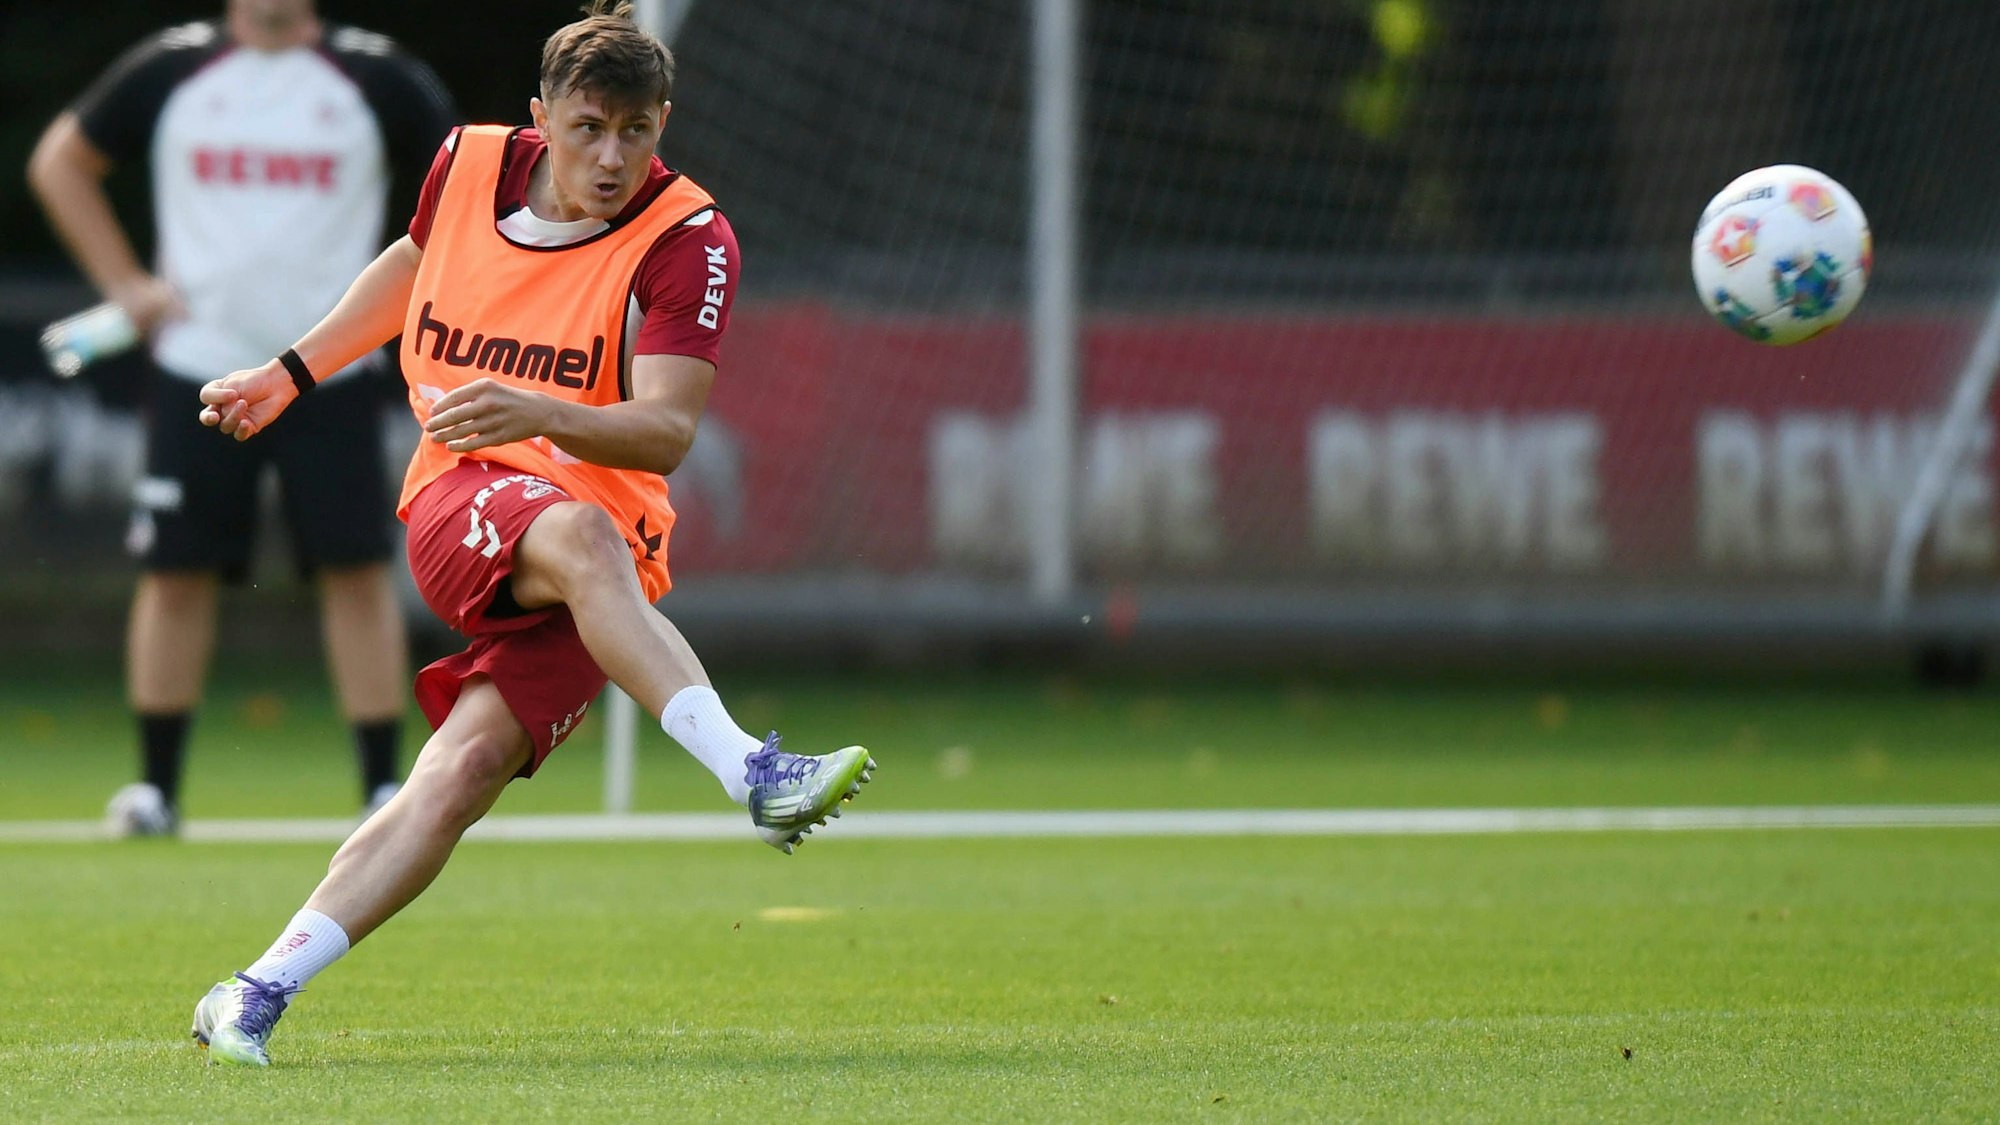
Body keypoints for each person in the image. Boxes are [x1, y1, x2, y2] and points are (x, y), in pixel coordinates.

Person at [182, 1, 877, 1067]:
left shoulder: (690, 239)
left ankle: (253, 989)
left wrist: (541, 411)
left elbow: (667, 433)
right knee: (585, 541)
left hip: (599, 556)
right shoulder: (464, 165)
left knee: (456, 777)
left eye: (636, 131)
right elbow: (414, 268)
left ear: (663, 123)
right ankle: (752, 772)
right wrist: (292, 374)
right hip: (463, 492)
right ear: (539, 116)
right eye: (588, 127)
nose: (610, 157)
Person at [26, 0, 459, 836]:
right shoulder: (172, 67)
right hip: (203, 370)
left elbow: (479, 189)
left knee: (355, 568)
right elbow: (60, 162)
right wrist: (127, 287)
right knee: (176, 570)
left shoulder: (375, 74)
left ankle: (380, 789)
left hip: (329, 370)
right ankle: (155, 789)